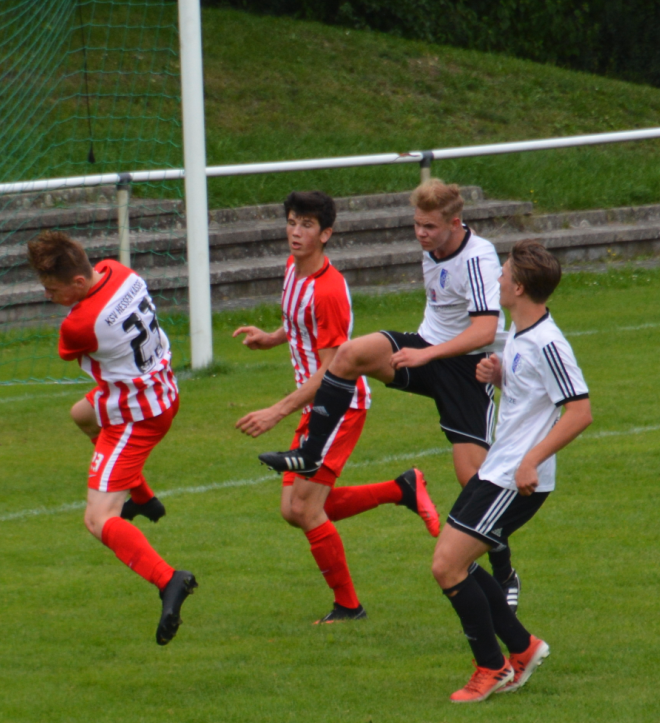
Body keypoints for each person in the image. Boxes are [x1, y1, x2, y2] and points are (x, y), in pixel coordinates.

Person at [259, 179, 522, 607]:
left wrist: (427, 354)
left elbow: (484, 330)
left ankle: (504, 569)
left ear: (455, 222)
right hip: (425, 349)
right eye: (417, 225)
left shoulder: (478, 256)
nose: (421, 234)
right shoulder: (430, 246)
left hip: (465, 368)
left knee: (475, 482)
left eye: (430, 227)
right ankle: (311, 452)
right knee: (349, 355)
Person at [234, 191, 441, 623]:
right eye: (292, 221)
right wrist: (271, 338)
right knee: (294, 509)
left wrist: (276, 411)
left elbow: (331, 371)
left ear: (326, 234)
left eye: (307, 225)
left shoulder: (328, 291)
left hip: (338, 406)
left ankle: (349, 607)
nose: (296, 232)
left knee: (304, 509)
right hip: (315, 404)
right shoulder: (293, 268)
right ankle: (401, 489)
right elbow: (297, 323)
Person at [431, 239, 591, 702]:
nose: (497, 278)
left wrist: (531, 460)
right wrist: (500, 375)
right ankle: (522, 648)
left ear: (518, 287)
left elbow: (580, 412)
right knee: (455, 562)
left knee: (447, 565)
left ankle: (492, 667)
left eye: (503, 273)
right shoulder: (521, 332)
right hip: (498, 468)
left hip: (514, 478)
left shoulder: (548, 342)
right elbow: (531, 398)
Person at [27, 230, 196, 645]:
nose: (48, 296)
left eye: (53, 290)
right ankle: (143, 498)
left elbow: (71, 349)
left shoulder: (79, 324)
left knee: (97, 519)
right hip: (161, 389)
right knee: (82, 415)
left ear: (78, 281)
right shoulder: (119, 271)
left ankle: (169, 580)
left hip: (135, 415)